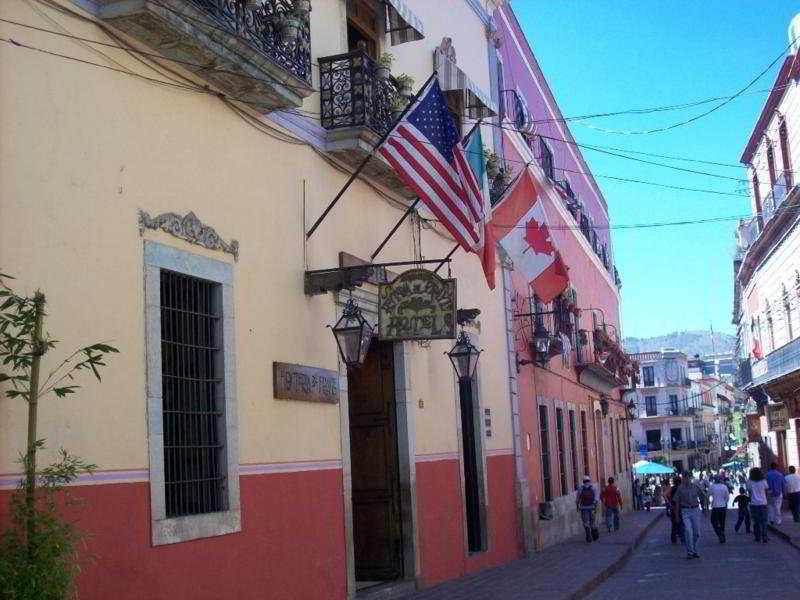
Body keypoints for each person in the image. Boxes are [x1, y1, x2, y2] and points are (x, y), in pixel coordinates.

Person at [673, 471, 707, 559]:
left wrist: (704, 509)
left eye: (687, 477)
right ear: (683, 478)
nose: (686, 479)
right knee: (688, 531)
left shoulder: (695, 487)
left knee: (697, 533)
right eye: (684, 477)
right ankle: (690, 552)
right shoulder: (680, 489)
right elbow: (677, 503)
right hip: (685, 511)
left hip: (695, 510)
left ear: (690, 478)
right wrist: (676, 515)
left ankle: (695, 550)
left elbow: (702, 497)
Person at [747, 467, 769, 543]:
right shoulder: (763, 481)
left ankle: (757, 536)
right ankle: (765, 536)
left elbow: (749, 493)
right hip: (763, 503)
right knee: (764, 521)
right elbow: (766, 491)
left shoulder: (749, 482)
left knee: (756, 521)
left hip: (754, 504)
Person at [576, 475, 598, 543]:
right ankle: (594, 535)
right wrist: (595, 506)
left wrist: (577, 507)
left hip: (583, 508)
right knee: (592, 521)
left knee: (585, 522)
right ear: (589, 481)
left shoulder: (580, 489)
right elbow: (596, 498)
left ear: (583, 481)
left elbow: (577, 499)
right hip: (592, 507)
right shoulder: (593, 488)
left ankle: (588, 535)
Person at [709, 476, 730, 543]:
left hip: (715, 507)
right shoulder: (724, 487)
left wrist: (709, 503)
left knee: (713, 521)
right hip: (723, 506)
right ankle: (722, 534)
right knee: (722, 522)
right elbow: (727, 497)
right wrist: (725, 503)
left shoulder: (712, 487)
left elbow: (707, 495)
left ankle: (719, 533)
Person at [665, 475, 684, 544]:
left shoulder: (672, 488)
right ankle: (682, 537)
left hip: (673, 507)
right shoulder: (681, 488)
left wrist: (669, 503)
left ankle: (673, 539)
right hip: (680, 508)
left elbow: (665, 495)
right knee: (681, 523)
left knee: (674, 524)